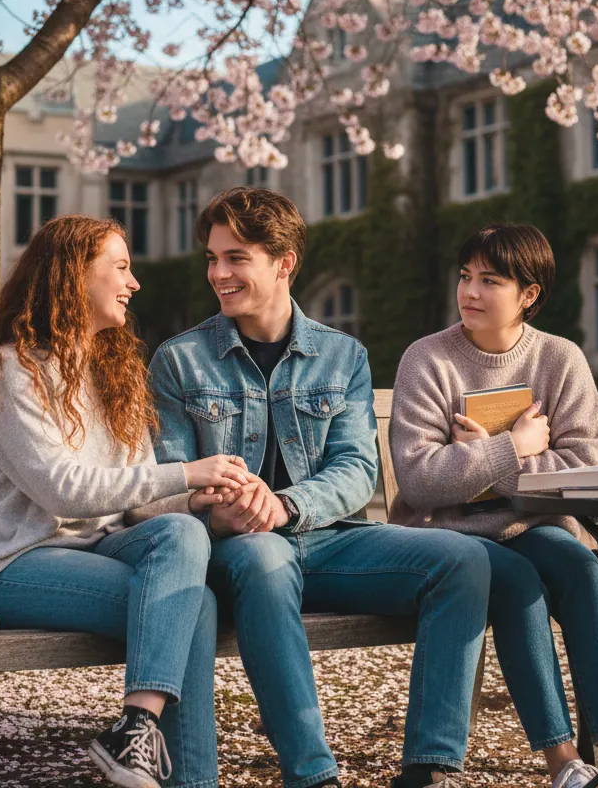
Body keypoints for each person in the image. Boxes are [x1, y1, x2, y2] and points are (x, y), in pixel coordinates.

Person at [150, 186, 491, 788]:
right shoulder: (180, 361)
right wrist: (214, 514)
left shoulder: (342, 356)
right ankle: (313, 776)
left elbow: (357, 468)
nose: (218, 274)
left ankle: (429, 768)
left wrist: (285, 504)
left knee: (463, 559)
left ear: (284, 263)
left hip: (327, 538)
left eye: (236, 258)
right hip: (239, 549)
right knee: (264, 556)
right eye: (212, 258)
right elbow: (168, 478)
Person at [0, 215, 250, 788]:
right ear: (70, 277)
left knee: (184, 542)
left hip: (100, 548)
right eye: (119, 267)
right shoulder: (11, 370)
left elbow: (138, 503)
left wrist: (199, 504)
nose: (133, 282)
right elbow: (62, 488)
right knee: (197, 608)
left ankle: (136, 731)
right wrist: (183, 470)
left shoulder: (113, 371)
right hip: (16, 563)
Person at [389, 222, 598, 788]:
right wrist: (520, 446)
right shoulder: (427, 360)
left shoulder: (560, 360)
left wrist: (492, 460)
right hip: (448, 541)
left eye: (490, 280)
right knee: (516, 583)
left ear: (528, 295)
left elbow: (584, 469)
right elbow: (421, 480)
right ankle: (563, 764)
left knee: (584, 572)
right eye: (465, 277)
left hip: (537, 528)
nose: (470, 292)